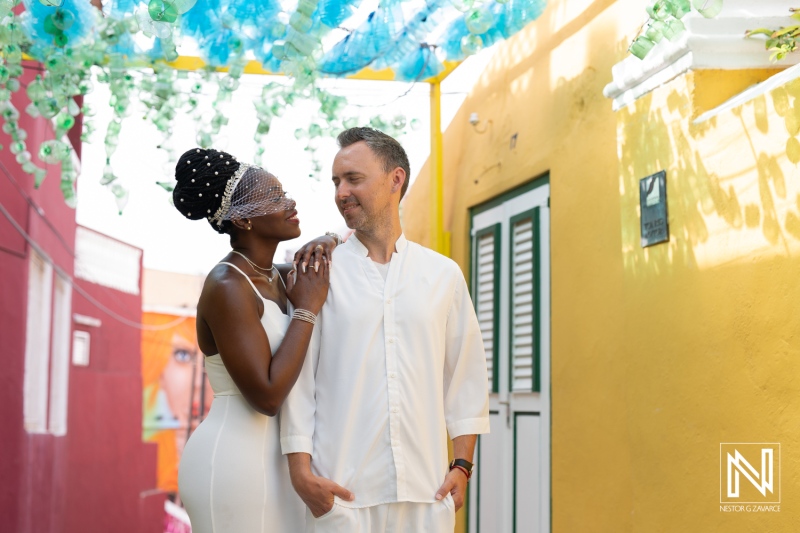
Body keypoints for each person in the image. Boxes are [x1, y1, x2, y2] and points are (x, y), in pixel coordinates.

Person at [281, 128, 491, 532]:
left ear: (396, 179)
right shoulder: (321, 273)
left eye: (353, 179)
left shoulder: (443, 275)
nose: (341, 192)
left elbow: (466, 376)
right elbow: (299, 380)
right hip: (343, 496)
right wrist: (301, 473)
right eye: (336, 182)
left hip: (426, 496)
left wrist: (462, 465)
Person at [172, 147, 339, 533]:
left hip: (279, 461)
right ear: (244, 219)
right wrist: (306, 311)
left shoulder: (275, 276)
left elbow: (329, 258)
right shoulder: (228, 285)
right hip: (234, 458)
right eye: (276, 196)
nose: (290, 201)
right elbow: (266, 396)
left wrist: (328, 239)